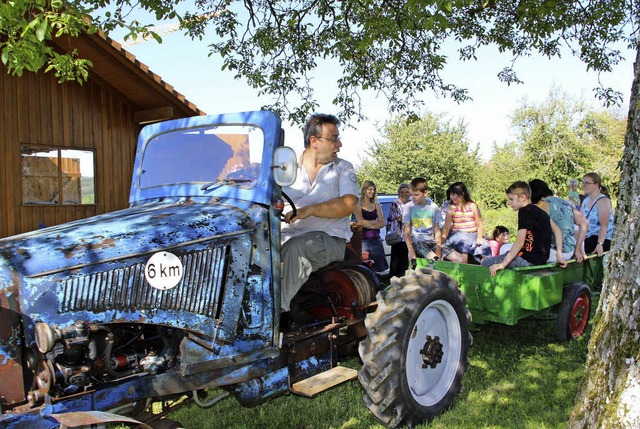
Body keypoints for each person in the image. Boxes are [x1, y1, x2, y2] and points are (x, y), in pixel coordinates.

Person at [280, 113, 359, 312]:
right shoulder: (285, 171)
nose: (339, 144)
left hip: (329, 241)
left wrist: (310, 210)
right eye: (333, 139)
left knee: (295, 249)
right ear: (313, 141)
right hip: (283, 238)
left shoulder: (343, 168)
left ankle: (276, 316)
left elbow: (348, 203)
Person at [482, 181, 564, 276]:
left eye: (511, 199)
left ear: (523, 197)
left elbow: (519, 242)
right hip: (539, 259)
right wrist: (559, 255)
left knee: (486, 263)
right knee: (507, 254)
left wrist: (502, 264)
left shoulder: (524, 211)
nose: (509, 203)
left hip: (527, 259)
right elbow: (557, 230)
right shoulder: (540, 212)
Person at [530, 179, 588, 263]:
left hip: (553, 252)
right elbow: (584, 223)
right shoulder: (565, 203)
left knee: (507, 250)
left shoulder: (541, 205)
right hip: (569, 252)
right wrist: (577, 249)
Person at [441, 182, 484, 263]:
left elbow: (480, 224)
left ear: (462, 194)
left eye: (453, 194)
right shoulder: (451, 208)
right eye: (450, 194)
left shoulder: (472, 206)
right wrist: (442, 239)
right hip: (458, 235)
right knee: (463, 239)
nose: (451, 197)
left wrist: (479, 237)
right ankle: (463, 265)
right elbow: (446, 227)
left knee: (484, 247)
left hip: (472, 234)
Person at [403, 178, 443, 264]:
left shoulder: (433, 207)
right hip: (417, 242)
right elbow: (406, 231)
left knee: (458, 259)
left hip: (432, 241)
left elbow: (437, 230)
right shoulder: (408, 207)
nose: (413, 197)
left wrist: (439, 249)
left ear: (425, 193)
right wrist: (411, 251)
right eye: (412, 194)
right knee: (434, 259)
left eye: (416, 195)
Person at [354, 180, 389, 273]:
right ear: (364, 190)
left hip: (376, 241)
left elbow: (382, 223)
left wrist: (368, 224)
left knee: (380, 270)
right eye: (370, 189)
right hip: (363, 241)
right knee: (366, 269)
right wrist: (375, 222)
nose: (372, 192)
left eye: (374, 190)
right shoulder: (358, 205)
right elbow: (360, 222)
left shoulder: (376, 205)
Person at [580, 172, 614, 256]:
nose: (584, 185)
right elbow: (580, 222)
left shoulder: (603, 201)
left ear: (596, 184)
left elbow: (604, 225)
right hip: (588, 238)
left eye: (587, 183)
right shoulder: (585, 201)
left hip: (601, 240)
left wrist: (600, 244)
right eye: (583, 183)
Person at [387, 183, 411, 277]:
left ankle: (403, 279)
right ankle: (393, 279)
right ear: (399, 193)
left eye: (407, 192)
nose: (404, 194)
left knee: (405, 260)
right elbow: (394, 217)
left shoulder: (411, 203)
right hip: (398, 235)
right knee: (396, 261)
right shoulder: (395, 203)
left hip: (408, 236)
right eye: (402, 192)